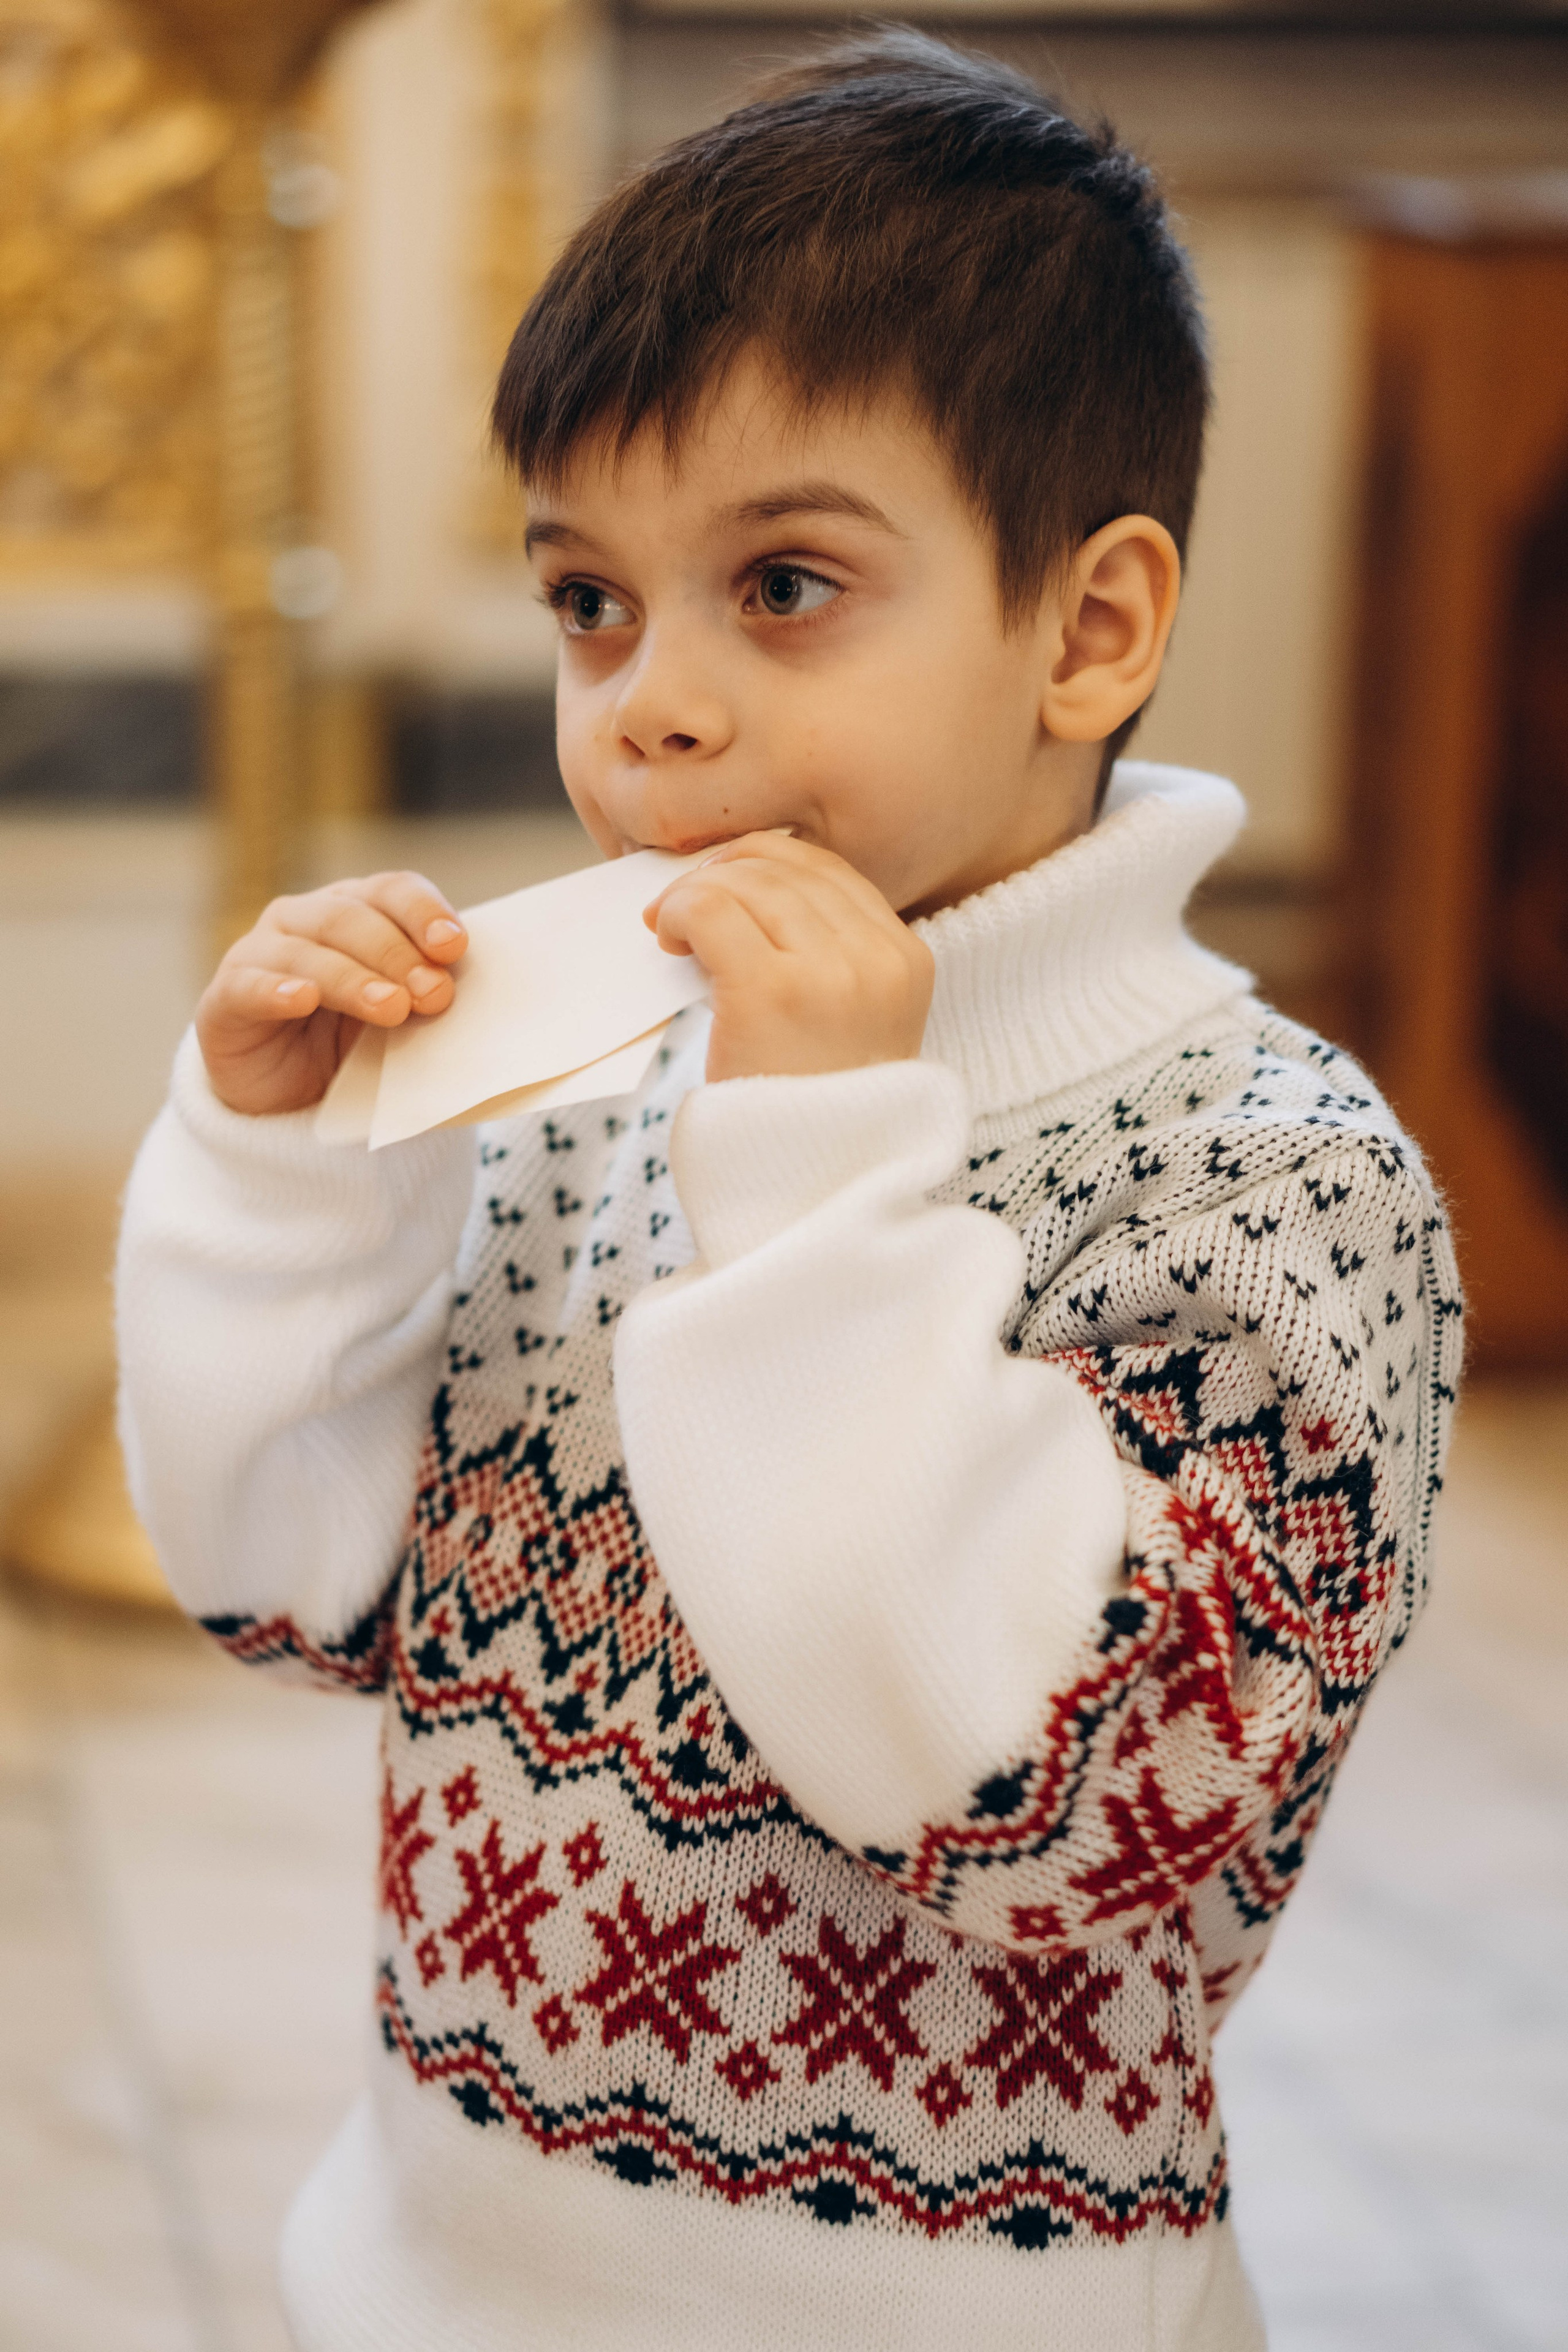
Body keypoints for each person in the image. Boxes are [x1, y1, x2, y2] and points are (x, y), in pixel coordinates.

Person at [116, 29, 1463, 2352]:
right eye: (590, 604)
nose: (648, 704)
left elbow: (1052, 1813)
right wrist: (276, 1182)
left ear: (1094, 625)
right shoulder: (571, 1096)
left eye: (788, 585)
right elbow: (293, 1602)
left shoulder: (1288, 1196)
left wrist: (823, 1164)